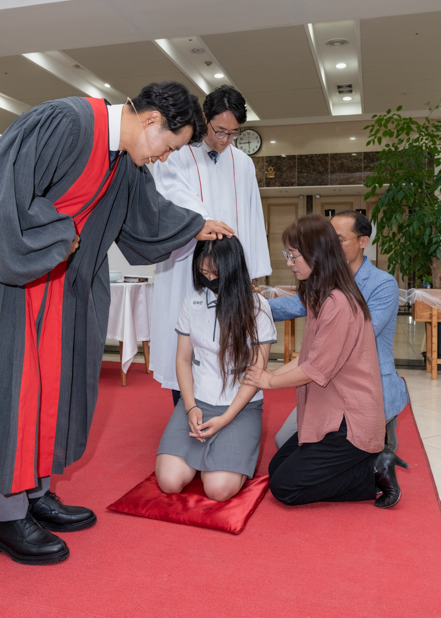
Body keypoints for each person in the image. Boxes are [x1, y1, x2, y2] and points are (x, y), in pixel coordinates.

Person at [0, 81, 235, 565]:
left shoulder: (122, 159)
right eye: (169, 147)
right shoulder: (67, 122)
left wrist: (195, 225)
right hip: (20, 288)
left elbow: (148, 217)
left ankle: (35, 496)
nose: (162, 158)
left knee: (59, 390)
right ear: (153, 120)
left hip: (66, 291)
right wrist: (55, 238)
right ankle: (5, 518)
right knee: (18, 396)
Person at [243, 214, 408, 509]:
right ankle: (368, 464)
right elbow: (310, 353)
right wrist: (251, 305)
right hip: (330, 403)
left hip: (349, 415)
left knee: (285, 488)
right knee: (278, 467)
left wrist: (268, 380)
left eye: (293, 256)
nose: (290, 263)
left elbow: (316, 366)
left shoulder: (344, 299)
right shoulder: (322, 293)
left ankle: (373, 472)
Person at [150, 85, 271, 405]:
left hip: (231, 270)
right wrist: (204, 223)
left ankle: (225, 410)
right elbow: (170, 198)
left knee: (227, 342)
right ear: (204, 118)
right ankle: (184, 408)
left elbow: (253, 218)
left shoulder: (243, 164)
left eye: (234, 133)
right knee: (184, 342)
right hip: (185, 264)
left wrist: (253, 274)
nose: (225, 139)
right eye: (220, 130)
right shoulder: (176, 153)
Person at [270, 210, 409, 451]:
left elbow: (355, 339)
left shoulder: (383, 284)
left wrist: (272, 378)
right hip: (327, 382)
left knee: (356, 454)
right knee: (285, 441)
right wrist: (248, 307)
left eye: (340, 240)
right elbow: (291, 306)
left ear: (363, 241)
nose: (331, 245)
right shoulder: (326, 281)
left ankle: (379, 454)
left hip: (367, 387)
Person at [156, 237, 276, 501]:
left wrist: (226, 418)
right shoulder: (193, 301)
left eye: (216, 274)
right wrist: (190, 407)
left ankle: (223, 458)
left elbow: (255, 374)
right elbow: (183, 360)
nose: (209, 280)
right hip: (198, 401)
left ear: (232, 270)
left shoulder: (257, 308)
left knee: (218, 490)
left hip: (239, 407)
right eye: (204, 273)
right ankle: (207, 458)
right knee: (168, 481)